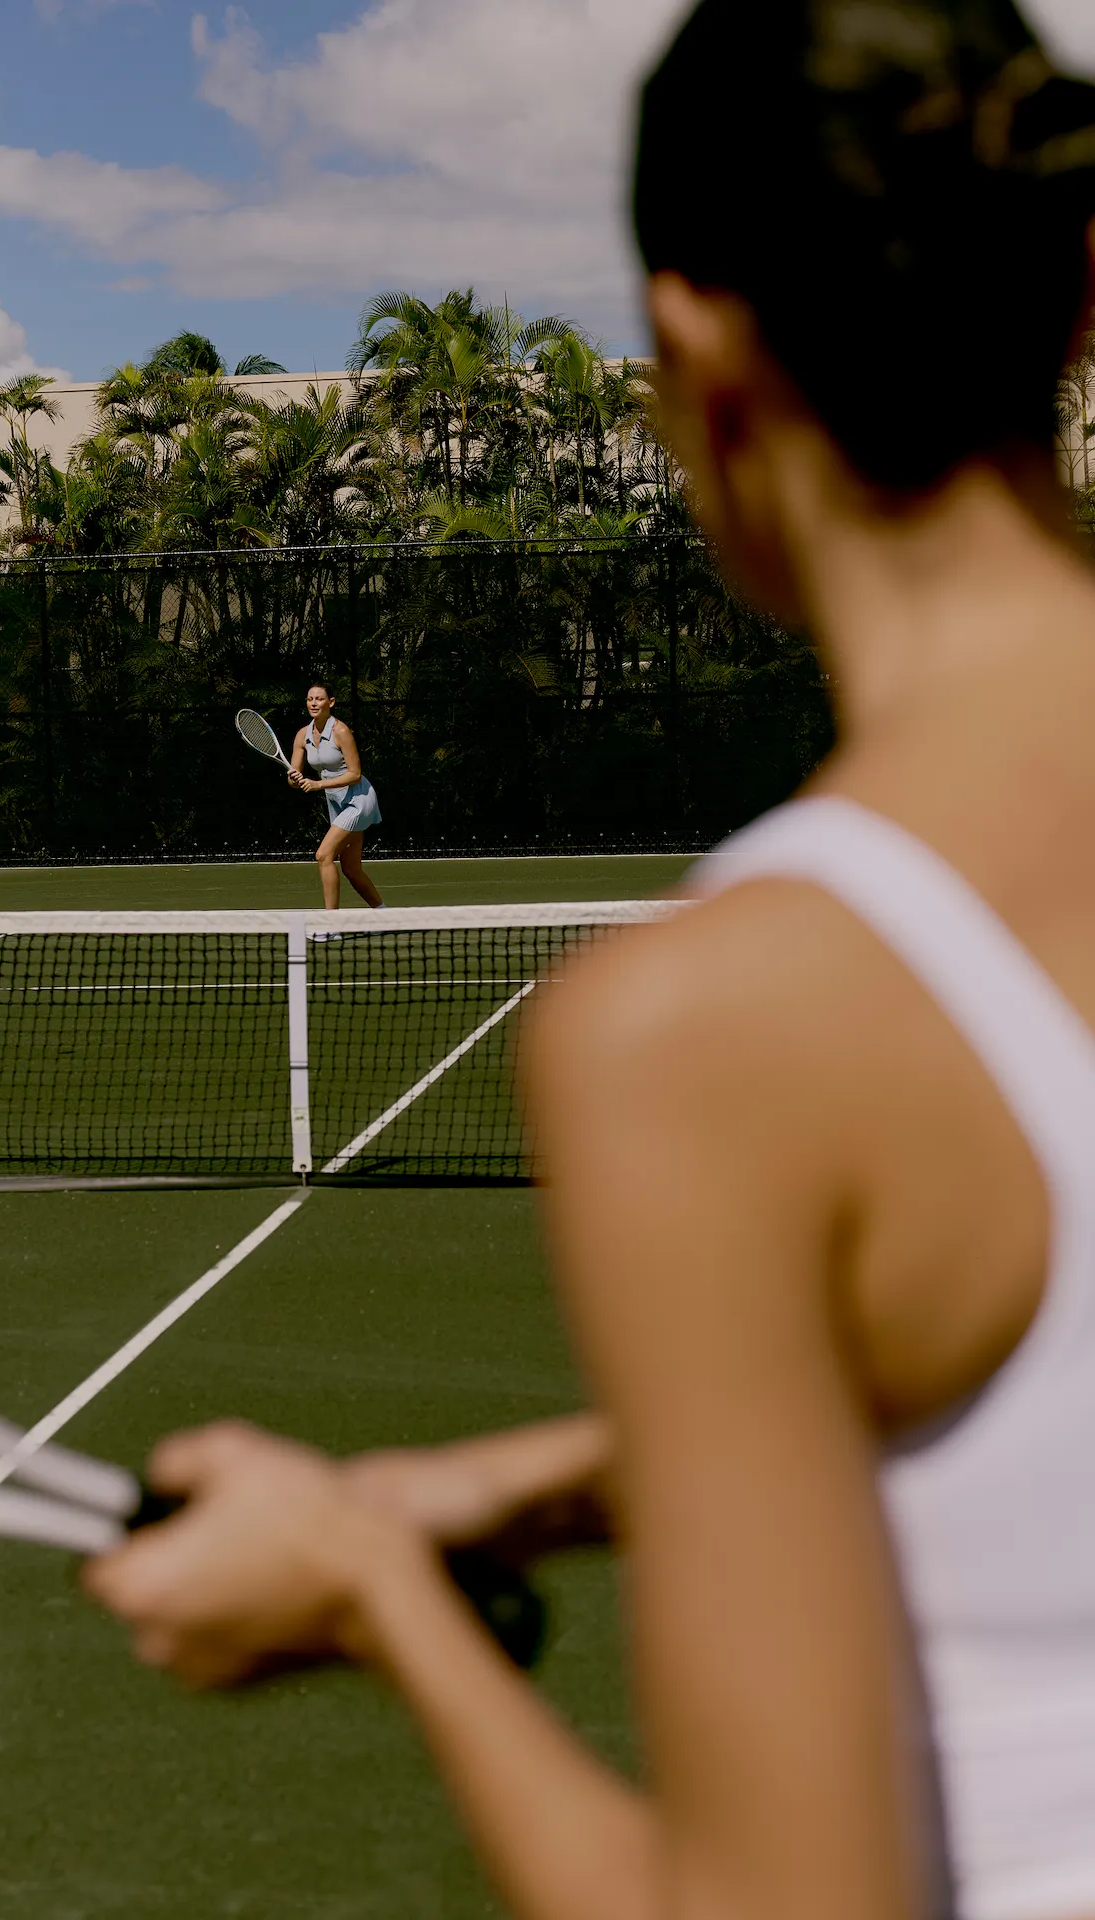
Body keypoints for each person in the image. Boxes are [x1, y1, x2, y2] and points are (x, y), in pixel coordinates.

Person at [85, 4, 1095, 1916]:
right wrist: (517, 1492)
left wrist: (379, 1585)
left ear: (697, 359)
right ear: (1079, 294)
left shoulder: (726, 1026)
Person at [288, 683, 384, 911]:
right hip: (336, 802)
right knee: (351, 869)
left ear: (330, 702)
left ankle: (331, 924)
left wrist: (318, 783)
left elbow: (355, 774)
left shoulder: (341, 731)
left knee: (323, 855)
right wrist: (294, 778)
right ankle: (384, 916)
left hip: (359, 799)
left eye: (319, 699)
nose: (313, 703)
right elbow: (293, 780)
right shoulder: (302, 735)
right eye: (310, 698)